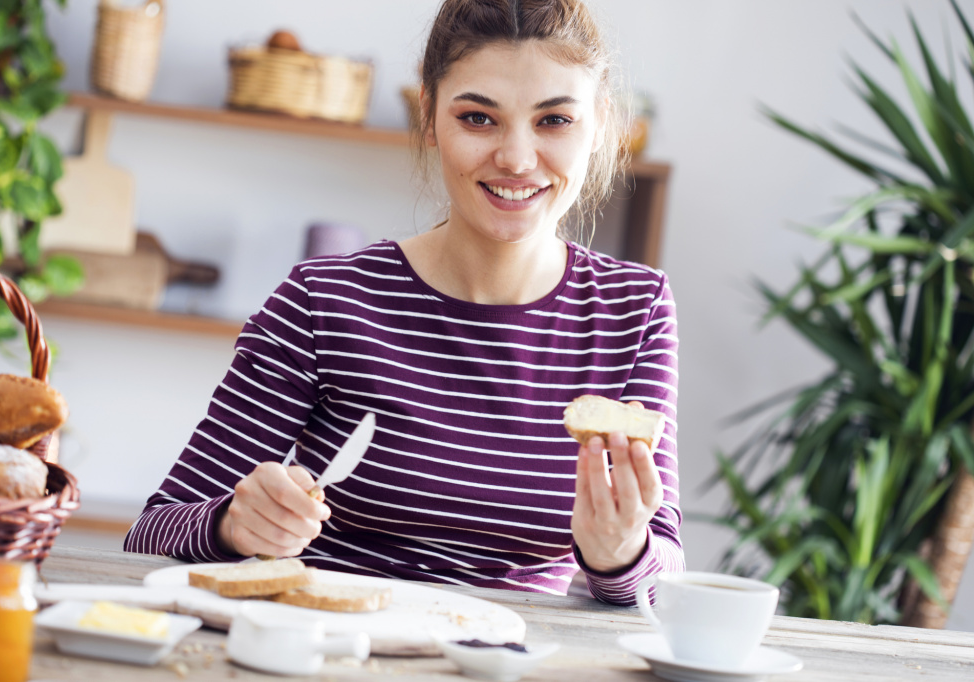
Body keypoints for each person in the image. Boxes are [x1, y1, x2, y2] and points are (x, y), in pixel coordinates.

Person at [124, 0, 683, 606]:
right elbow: (152, 533)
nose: (517, 159)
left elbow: (663, 575)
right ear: (429, 116)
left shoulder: (635, 309)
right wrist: (232, 525)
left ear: (599, 122)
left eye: (554, 122)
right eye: (478, 118)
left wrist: (620, 555)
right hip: (333, 646)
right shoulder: (325, 300)